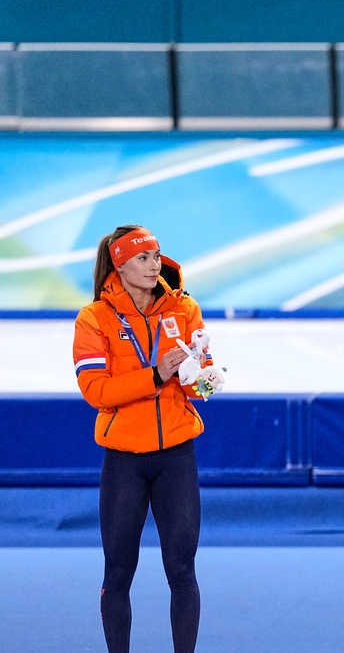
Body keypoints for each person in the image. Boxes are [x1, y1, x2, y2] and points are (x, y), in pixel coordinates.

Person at [72, 225, 224, 652]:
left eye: (157, 255)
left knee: (182, 570)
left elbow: (199, 390)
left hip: (176, 456)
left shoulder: (184, 309)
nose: (154, 264)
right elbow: (96, 392)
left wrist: (204, 377)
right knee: (118, 572)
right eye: (143, 257)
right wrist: (156, 374)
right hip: (124, 462)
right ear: (118, 265)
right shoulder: (94, 318)